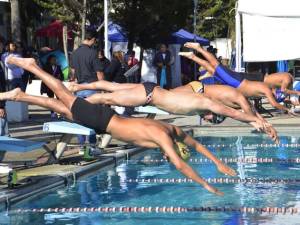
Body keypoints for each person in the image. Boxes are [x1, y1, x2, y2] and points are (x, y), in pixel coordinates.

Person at [1, 56, 237, 196]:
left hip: (106, 120)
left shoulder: (173, 131)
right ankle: (33, 66)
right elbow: (180, 165)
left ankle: (18, 95)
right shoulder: (163, 139)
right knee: (62, 94)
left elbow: (195, 144)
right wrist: (206, 184)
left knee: (62, 108)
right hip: (101, 120)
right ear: (171, 151)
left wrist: (218, 163)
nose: (167, 158)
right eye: (169, 156)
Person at [67, 80, 277, 142]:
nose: (208, 119)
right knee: (108, 96)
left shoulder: (201, 99)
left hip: (151, 89)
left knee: (112, 88)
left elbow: (238, 112)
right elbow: (237, 113)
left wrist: (258, 123)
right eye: (212, 120)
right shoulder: (207, 104)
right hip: (149, 94)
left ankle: (77, 88)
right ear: (213, 115)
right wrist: (258, 123)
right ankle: (72, 102)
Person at [179, 43, 296, 115]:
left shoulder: (266, 90)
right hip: (236, 81)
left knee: (212, 70)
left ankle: (192, 56)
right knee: (215, 65)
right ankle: (199, 49)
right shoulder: (266, 89)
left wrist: (287, 103)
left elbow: (275, 102)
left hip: (236, 83)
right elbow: (275, 104)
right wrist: (287, 109)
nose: (273, 95)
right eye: (275, 95)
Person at [70, 30, 103, 151]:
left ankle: (81, 146)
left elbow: (72, 72)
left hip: (79, 88)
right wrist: (102, 88)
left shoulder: (74, 53)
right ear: (93, 39)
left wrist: (73, 84)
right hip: (91, 87)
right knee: (93, 117)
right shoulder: (93, 53)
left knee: (79, 117)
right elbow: (99, 72)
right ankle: (92, 145)